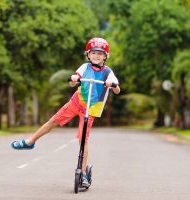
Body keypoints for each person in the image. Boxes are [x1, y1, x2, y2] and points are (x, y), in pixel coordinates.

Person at [11, 37, 121, 187]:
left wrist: (112, 84)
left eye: (100, 54)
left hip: (91, 109)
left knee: (83, 140)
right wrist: (75, 78)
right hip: (76, 102)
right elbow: (72, 82)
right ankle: (30, 141)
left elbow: (117, 90)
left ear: (105, 56)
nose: (96, 56)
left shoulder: (108, 72)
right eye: (93, 53)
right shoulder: (84, 67)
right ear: (88, 54)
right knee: (53, 120)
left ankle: (82, 174)